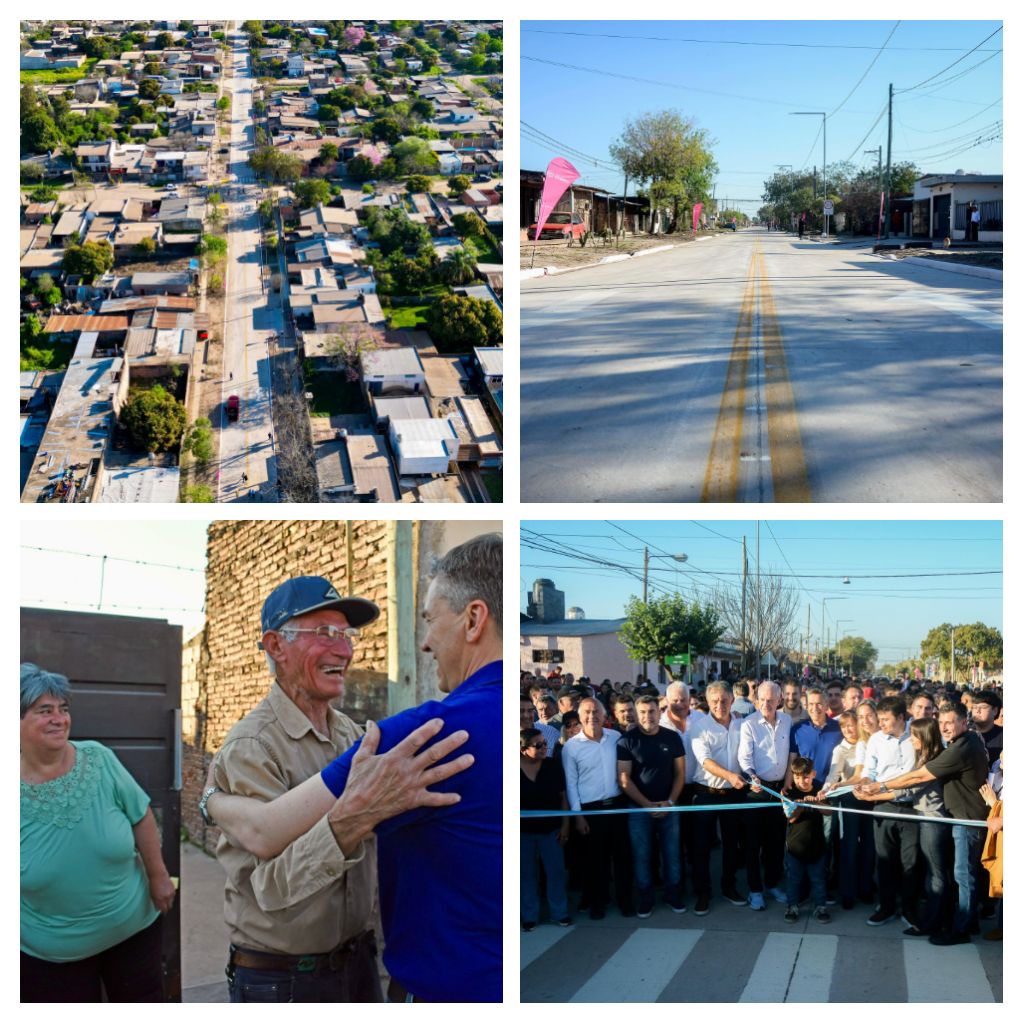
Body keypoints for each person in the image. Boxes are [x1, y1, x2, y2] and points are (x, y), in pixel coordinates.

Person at [206, 533, 500, 1002]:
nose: (343, 650)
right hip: (285, 981)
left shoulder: (358, 737)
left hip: (359, 965)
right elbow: (268, 890)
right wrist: (350, 821)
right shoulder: (252, 746)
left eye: (346, 635)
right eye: (324, 633)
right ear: (276, 646)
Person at [21, 664, 176, 1002]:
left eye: (63, 709)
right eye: (45, 711)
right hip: (51, 957)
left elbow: (140, 815)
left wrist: (159, 875)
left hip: (133, 929)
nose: (59, 719)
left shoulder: (99, 759)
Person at [860, 702, 988, 946]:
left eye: (950, 722)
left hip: (958, 819)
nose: (945, 727)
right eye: (942, 723)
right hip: (954, 818)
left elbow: (917, 780)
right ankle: (959, 921)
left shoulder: (960, 747)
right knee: (950, 873)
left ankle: (953, 927)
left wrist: (878, 787)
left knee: (953, 875)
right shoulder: (960, 743)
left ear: (964, 722)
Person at [564, 696, 633, 920]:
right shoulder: (571, 747)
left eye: (596, 712)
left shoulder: (616, 738)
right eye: (587, 712)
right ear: (580, 716)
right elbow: (571, 784)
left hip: (618, 806)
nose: (592, 716)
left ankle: (625, 901)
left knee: (623, 857)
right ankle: (598, 903)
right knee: (595, 861)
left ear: (604, 716)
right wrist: (578, 816)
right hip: (590, 811)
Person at [617, 695, 686, 917]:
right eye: (643, 712)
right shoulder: (627, 740)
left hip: (669, 808)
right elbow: (624, 778)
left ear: (660, 712)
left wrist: (670, 802)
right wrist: (647, 805)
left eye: (652, 711)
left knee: (672, 855)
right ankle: (646, 898)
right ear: (637, 715)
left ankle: (672, 895)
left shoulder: (672, 737)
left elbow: (680, 773)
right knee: (642, 856)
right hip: (639, 810)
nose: (648, 716)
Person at [854, 697, 919, 928]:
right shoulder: (875, 740)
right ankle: (886, 906)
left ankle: (909, 909)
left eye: (885, 719)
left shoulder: (917, 735)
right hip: (883, 806)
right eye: (879, 719)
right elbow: (869, 771)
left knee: (911, 862)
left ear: (901, 718)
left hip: (912, 808)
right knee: (885, 860)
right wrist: (863, 783)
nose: (880, 724)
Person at [688, 681, 748, 914]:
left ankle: (728, 886)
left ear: (732, 700)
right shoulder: (699, 727)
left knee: (732, 844)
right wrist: (730, 775)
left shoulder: (741, 724)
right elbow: (705, 761)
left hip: (734, 793)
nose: (720, 705)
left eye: (724, 700)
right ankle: (703, 892)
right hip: (707, 793)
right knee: (702, 846)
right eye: (714, 701)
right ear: (707, 701)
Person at [738, 682, 792, 910]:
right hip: (757, 791)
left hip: (779, 791)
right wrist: (751, 776)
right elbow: (744, 757)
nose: (766, 704)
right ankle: (755, 890)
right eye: (762, 699)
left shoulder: (787, 721)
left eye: (771, 700)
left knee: (776, 842)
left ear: (779, 700)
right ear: (756, 700)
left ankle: (772, 883)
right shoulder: (748, 724)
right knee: (753, 844)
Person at [902, 717, 951, 938]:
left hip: (933, 821)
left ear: (925, 737)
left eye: (914, 735)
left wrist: (875, 791)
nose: (910, 739)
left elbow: (909, 788)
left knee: (936, 874)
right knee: (934, 873)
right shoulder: (924, 757)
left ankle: (932, 923)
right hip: (925, 817)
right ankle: (936, 918)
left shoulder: (933, 760)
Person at [520, 729, 570, 931]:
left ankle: (559, 913)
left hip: (551, 830)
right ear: (523, 749)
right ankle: (529, 915)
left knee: (556, 872)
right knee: (526, 874)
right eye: (538, 745)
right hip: (522, 833)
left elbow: (563, 797)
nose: (544, 748)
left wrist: (565, 826)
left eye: (545, 743)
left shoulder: (552, 766)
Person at [782, 757, 831, 924]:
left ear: (813, 774)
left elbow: (829, 812)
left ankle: (821, 907)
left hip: (817, 845)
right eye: (797, 777)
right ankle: (792, 906)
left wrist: (817, 802)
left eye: (806, 777)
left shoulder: (820, 790)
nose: (801, 781)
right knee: (793, 879)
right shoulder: (788, 793)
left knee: (818, 879)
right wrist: (800, 807)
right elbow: (790, 818)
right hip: (795, 847)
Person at [970, 690, 1003, 767]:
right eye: (974, 707)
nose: (977, 711)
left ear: (995, 710)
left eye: (983, 707)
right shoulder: (965, 733)